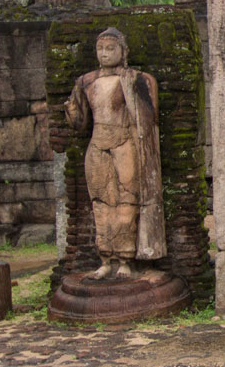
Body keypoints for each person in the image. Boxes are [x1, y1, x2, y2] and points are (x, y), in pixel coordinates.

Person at [65, 28, 166, 280]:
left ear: (124, 51)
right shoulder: (86, 81)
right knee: (100, 202)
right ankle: (105, 258)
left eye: (111, 49)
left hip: (125, 143)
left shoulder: (136, 79)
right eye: (101, 49)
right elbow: (80, 124)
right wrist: (70, 111)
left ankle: (125, 258)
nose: (105, 54)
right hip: (97, 144)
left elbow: (149, 116)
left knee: (127, 201)